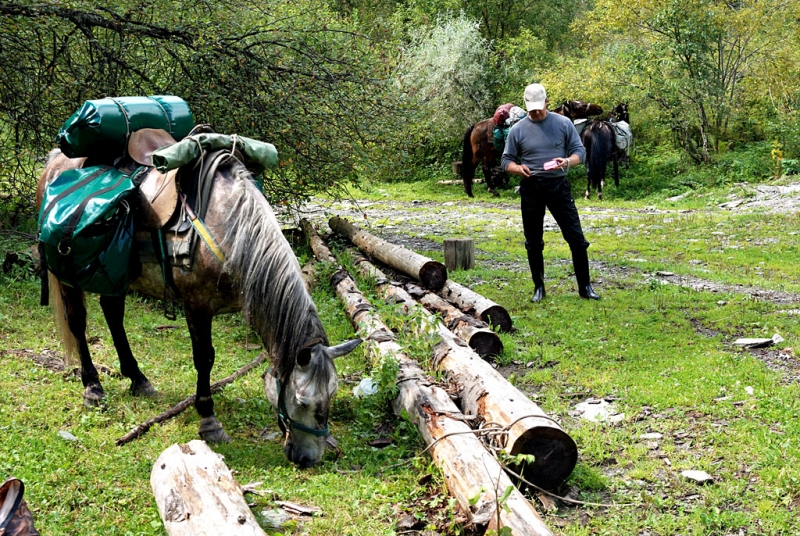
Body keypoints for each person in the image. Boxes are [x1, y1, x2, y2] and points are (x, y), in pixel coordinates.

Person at [501, 83, 600, 302]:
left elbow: (580, 152)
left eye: (539, 108)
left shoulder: (563, 124)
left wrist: (567, 161)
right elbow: (506, 160)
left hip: (558, 187)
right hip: (531, 188)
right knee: (533, 241)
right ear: (526, 104)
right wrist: (518, 168)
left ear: (547, 102)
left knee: (577, 239)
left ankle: (585, 287)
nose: (536, 112)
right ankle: (539, 287)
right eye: (532, 109)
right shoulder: (517, 129)